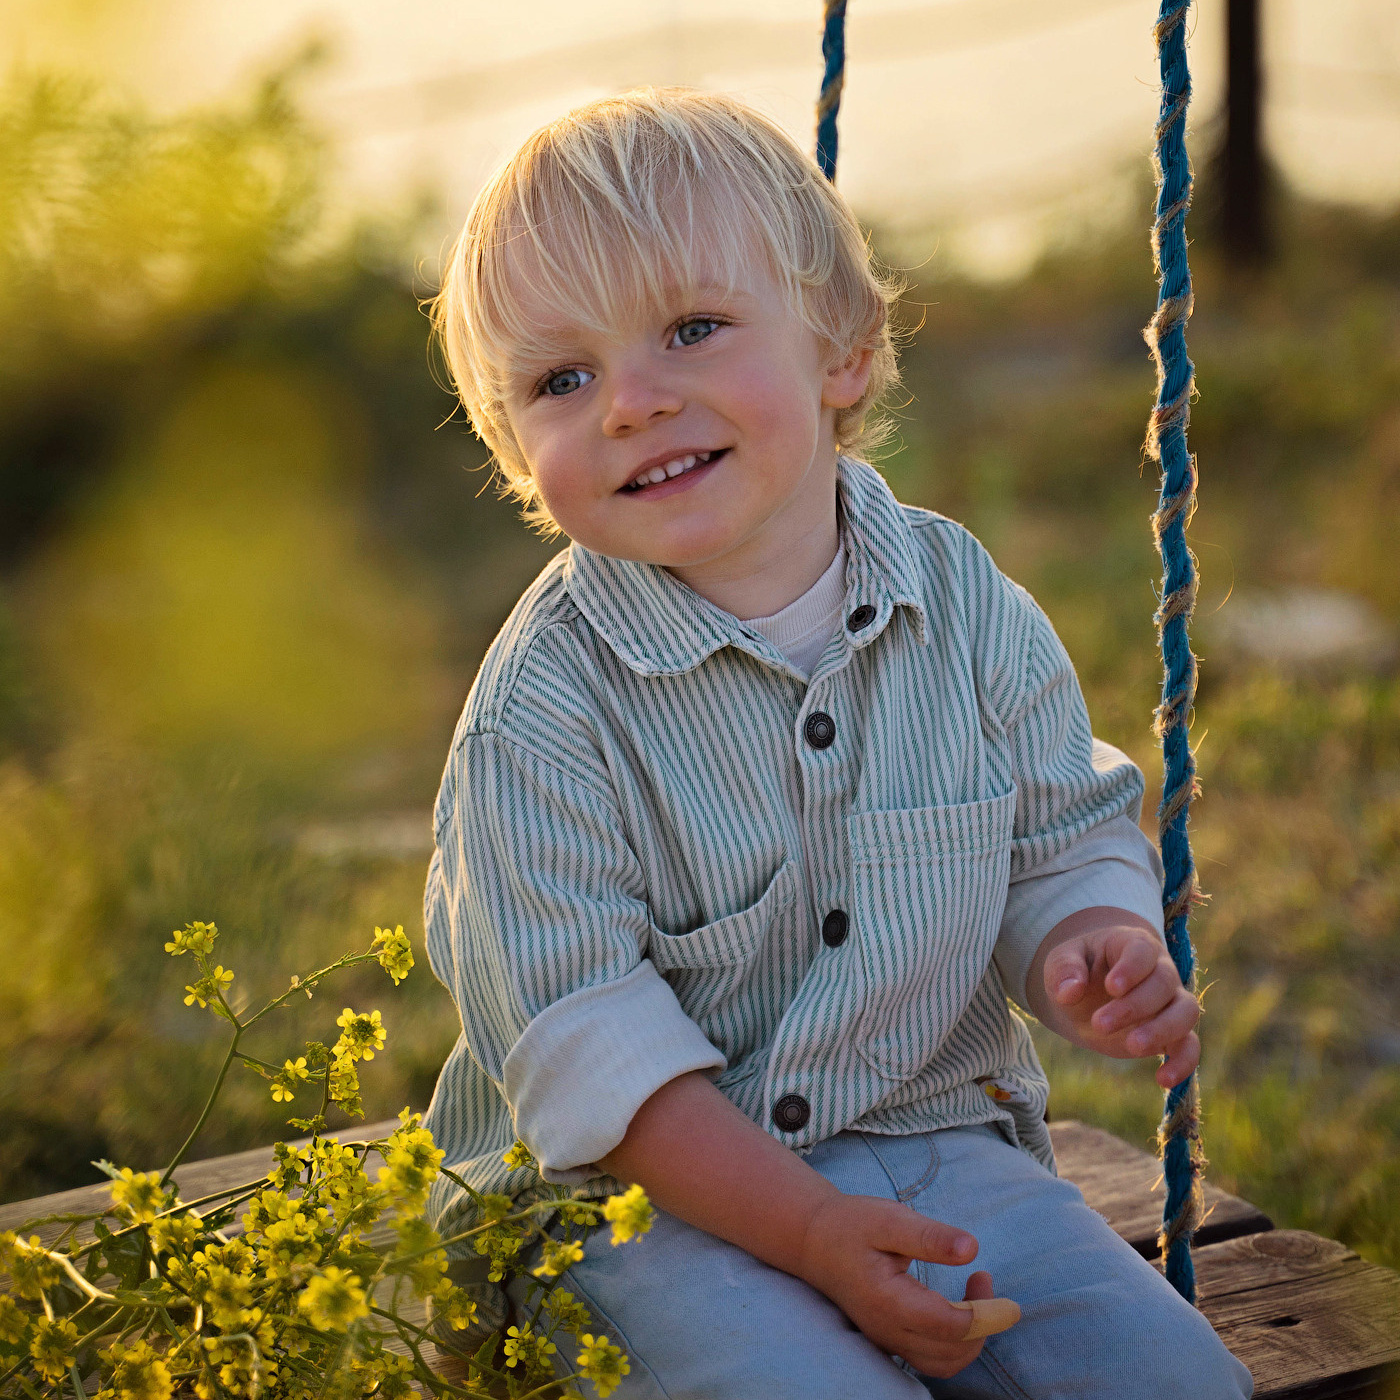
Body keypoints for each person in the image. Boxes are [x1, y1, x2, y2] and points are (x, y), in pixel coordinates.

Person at [419, 86, 1252, 1399]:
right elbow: (589, 1054)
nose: (630, 402)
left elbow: (1056, 833)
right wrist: (810, 1234)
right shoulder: (543, 713)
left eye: (692, 330)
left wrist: (1088, 941)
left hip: (926, 1141)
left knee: (1173, 1382)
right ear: (517, 454)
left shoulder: (963, 605)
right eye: (561, 380)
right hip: (628, 1210)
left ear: (844, 353)